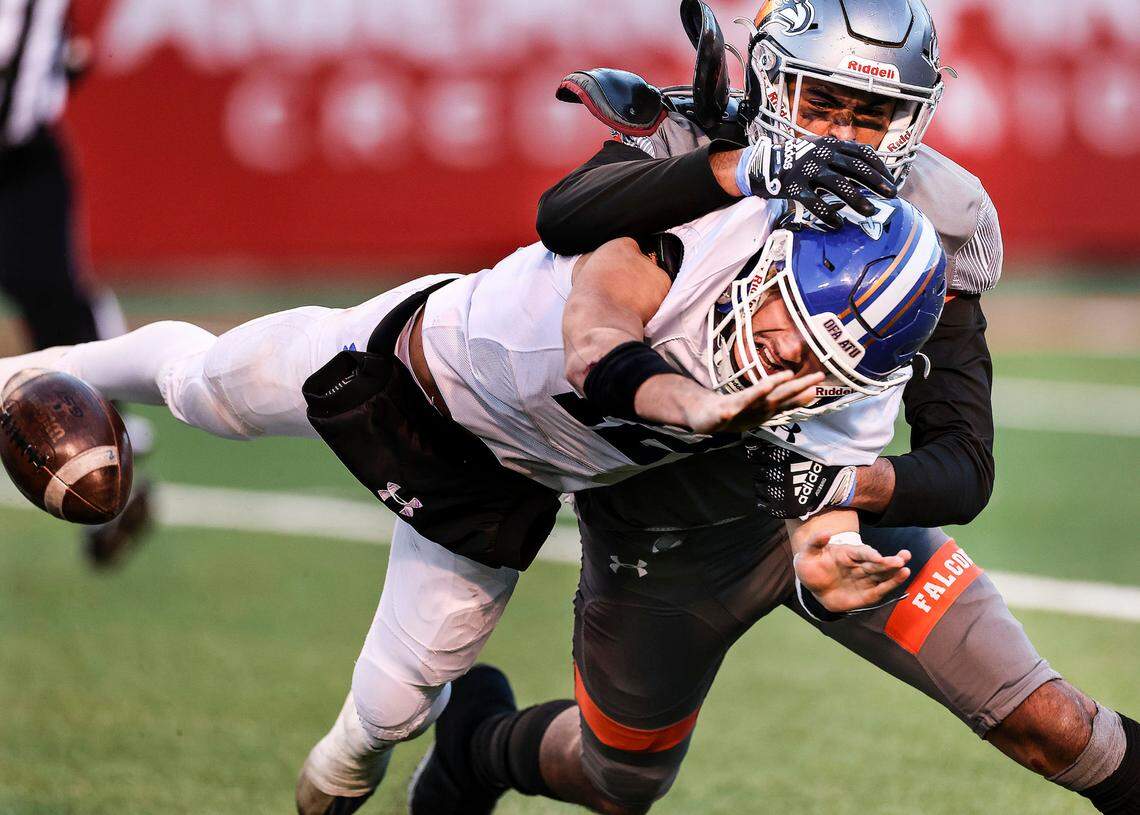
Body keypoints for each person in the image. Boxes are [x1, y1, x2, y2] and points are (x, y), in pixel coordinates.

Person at [403, 1, 1140, 814]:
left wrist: (831, 493)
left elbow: (964, 465)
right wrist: (735, 171)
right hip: (667, 528)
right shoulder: (697, 148)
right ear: (769, 84)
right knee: (620, 780)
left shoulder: (936, 218)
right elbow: (563, 216)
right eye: (821, 101)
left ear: (915, 115)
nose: (845, 136)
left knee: (1057, 724)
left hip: (843, 519)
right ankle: (479, 743)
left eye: (876, 113)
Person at [0, 192, 946, 812]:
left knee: (375, 728)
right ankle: (16, 373)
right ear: (778, 259)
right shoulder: (697, 232)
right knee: (202, 382)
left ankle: (357, 769)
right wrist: (690, 402)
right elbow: (595, 345)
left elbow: (825, 511)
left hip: (498, 485)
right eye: (792, 324)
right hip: (410, 360)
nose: (784, 356)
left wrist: (825, 551)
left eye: (820, 360)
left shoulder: (851, 392)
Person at [0, 0, 151, 566]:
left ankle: (111, 433)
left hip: (21, 161)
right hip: (22, 153)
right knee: (51, 295)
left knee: (53, 298)